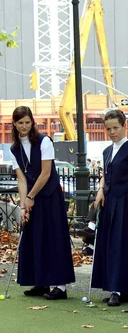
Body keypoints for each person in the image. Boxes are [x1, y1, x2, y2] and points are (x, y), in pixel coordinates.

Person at [10, 106, 75, 299]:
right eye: (20, 123)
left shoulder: (44, 141)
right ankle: (41, 282)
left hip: (49, 197)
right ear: (14, 124)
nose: (24, 126)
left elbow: (46, 173)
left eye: (28, 122)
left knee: (54, 238)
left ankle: (61, 287)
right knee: (35, 239)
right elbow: (21, 179)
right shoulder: (14, 148)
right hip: (31, 198)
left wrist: (31, 197)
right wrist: (23, 205)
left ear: (32, 122)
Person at [91, 109, 128, 307]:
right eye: (108, 129)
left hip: (125, 202)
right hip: (109, 202)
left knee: (121, 245)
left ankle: (121, 289)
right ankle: (112, 286)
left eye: (115, 127)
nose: (112, 132)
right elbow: (106, 174)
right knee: (109, 244)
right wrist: (100, 191)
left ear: (124, 126)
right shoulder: (107, 151)